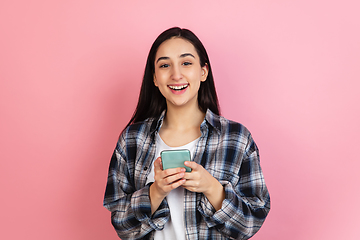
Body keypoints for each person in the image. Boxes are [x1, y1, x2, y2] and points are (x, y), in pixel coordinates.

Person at [103, 27, 270, 240]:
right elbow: (122, 227)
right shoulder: (132, 140)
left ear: (203, 72)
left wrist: (212, 188)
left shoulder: (236, 138)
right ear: (154, 78)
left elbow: (250, 224)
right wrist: (155, 192)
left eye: (186, 63)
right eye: (165, 65)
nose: (176, 75)